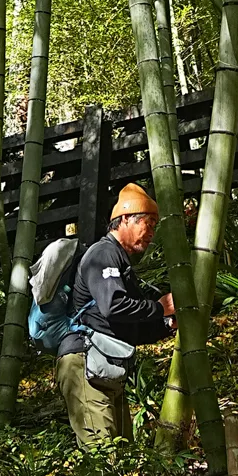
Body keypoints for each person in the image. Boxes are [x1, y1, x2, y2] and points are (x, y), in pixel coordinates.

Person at [55, 181, 175, 448]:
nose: (152, 232)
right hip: (84, 365)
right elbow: (115, 306)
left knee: (123, 452)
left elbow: (127, 325)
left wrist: (166, 324)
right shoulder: (104, 253)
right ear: (125, 220)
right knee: (103, 456)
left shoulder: (121, 262)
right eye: (149, 223)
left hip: (105, 368)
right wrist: (160, 307)